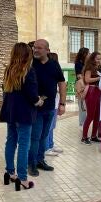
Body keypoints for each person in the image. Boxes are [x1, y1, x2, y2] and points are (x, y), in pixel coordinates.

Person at [1, 43, 42, 191]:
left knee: (10, 141)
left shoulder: (8, 70)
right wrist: (39, 100)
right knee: (24, 144)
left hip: (11, 112)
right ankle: (23, 178)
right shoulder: (28, 71)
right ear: (26, 55)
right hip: (24, 113)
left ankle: (10, 173)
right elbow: (31, 95)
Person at [28, 39, 66, 176]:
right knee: (35, 137)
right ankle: (31, 164)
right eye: (34, 47)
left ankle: (40, 160)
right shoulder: (30, 64)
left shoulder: (54, 64)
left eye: (39, 48)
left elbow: (62, 83)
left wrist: (62, 103)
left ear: (47, 50)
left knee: (44, 136)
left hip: (50, 108)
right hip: (35, 108)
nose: (35, 50)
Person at [81, 52, 101, 145]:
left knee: (97, 116)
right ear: (93, 59)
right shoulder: (89, 68)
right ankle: (84, 137)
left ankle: (94, 136)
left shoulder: (99, 67)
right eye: (97, 58)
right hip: (91, 92)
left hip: (98, 92)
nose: (99, 60)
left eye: (100, 58)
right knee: (90, 116)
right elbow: (87, 80)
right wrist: (99, 78)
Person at [45, 52, 63, 156]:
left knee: (52, 127)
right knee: (49, 127)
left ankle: (51, 144)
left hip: (55, 103)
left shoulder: (55, 71)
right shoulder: (50, 71)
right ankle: (46, 147)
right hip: (51, 103)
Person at [75, 48, 89, 128]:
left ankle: (84, 123)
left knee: (86, 105)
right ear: (84, 54)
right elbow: (79, 76)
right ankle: (82, 123)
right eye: (88, 53)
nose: (89, 55)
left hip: (86, 85)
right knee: (82, 105)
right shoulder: (78, 63)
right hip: (82, 86)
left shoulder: (86, 63)